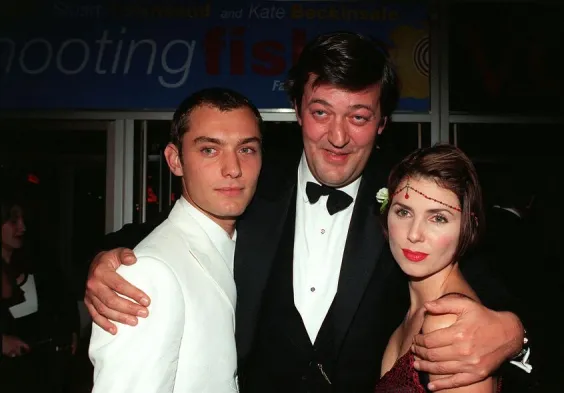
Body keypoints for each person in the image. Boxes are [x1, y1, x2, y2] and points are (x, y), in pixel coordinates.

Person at [84, 32, 531, 392]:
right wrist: (108, 261)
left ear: (381, 123)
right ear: (298, 110)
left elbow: (482, 267)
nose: (337, 137)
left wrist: (513, 332)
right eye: (321, 112)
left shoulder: (406, 199)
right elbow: (171, 229)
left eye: (357, 117)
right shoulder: (251, 181)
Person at [88, 87, 263, 392]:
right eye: (210, 149)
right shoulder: (147, 272)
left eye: (246, 149)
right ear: (175, 160)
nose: (233, 169)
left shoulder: (251, 241)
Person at [374, 144, 505, 393]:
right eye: (403, 212)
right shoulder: (410, 312)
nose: (414, 234)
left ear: (468, 226)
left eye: (438, 218)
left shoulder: (448, 323)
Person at [1, 195, 80, 393]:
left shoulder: (36, 261)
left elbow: (63, 299)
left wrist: (70, 330)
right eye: (13, 221)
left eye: (22, 220)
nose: (22, 227)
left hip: (40, 374)